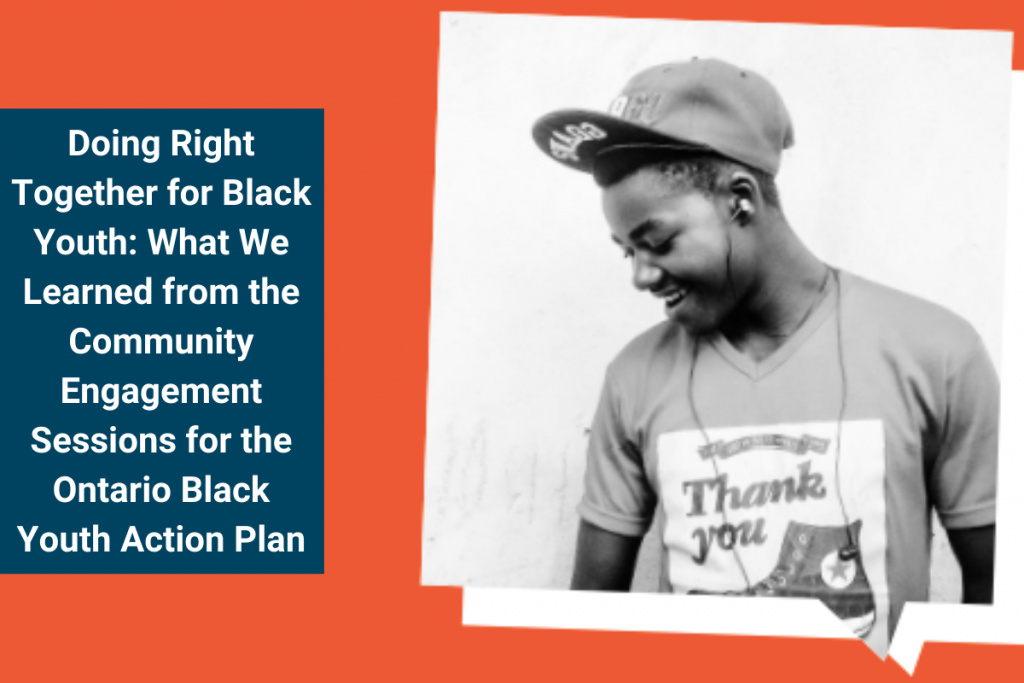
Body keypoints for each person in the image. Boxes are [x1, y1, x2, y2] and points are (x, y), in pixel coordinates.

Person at [531, 57, 997, 649]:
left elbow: (998, 607)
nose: (642, 276)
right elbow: (587, 623)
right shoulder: (633, 377)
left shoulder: (936, 351)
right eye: (627, 251)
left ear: (741, 199)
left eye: (658, 242)